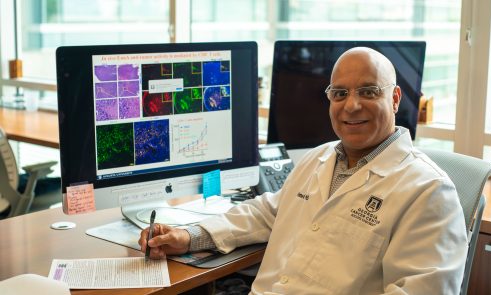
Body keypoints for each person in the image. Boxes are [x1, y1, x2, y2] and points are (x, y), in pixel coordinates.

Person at [139, 47, 468, 294]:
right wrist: (190, 236)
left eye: (368, 92)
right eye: (340, 94)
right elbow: (268, 212)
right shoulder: (319, 158)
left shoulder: (429, 193)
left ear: (395, 99)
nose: (351, 105)